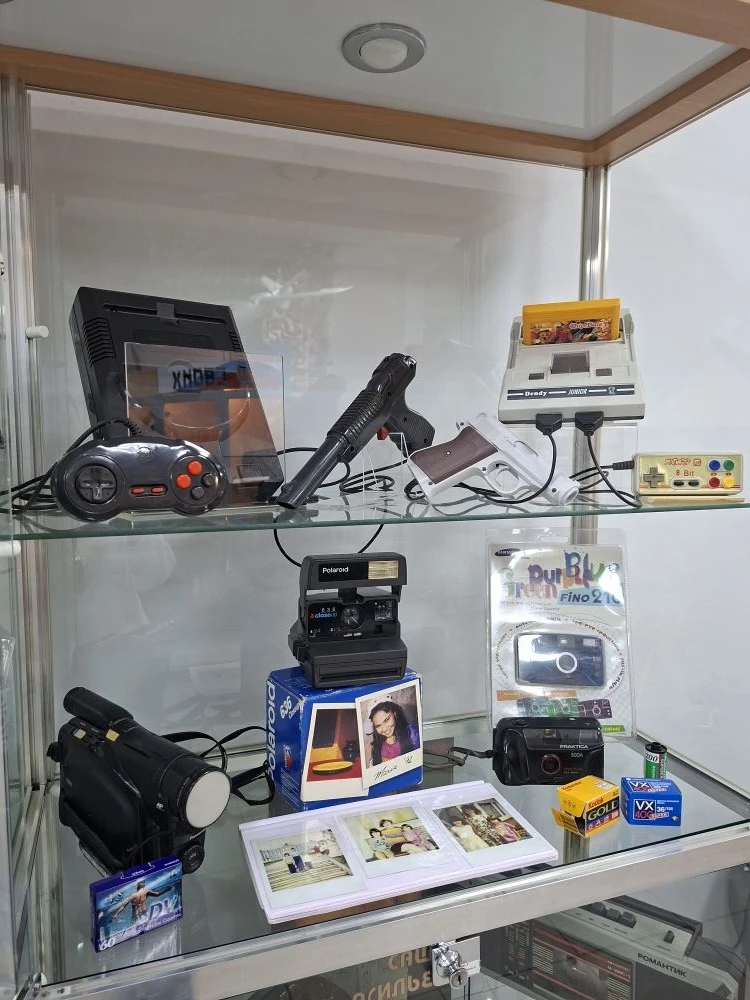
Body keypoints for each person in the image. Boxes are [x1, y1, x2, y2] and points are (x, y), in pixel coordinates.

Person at [369, 701, 420, 765]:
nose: (384, 729)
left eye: (387, 720)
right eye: (378, 726)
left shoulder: (413, 733)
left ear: (395, 714)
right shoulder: (377, 745)